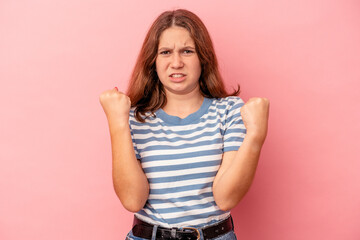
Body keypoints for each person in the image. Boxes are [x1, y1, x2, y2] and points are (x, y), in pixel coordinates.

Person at [99, 9, 269, 240]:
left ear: (203, 58)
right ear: (154, 61)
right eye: (166, 52)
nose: (176, 62)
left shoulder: (229, 110)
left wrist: (256, 136)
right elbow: (132, 200)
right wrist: (117, 124)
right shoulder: (133, 117)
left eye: (187, 51)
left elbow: (226, 198)